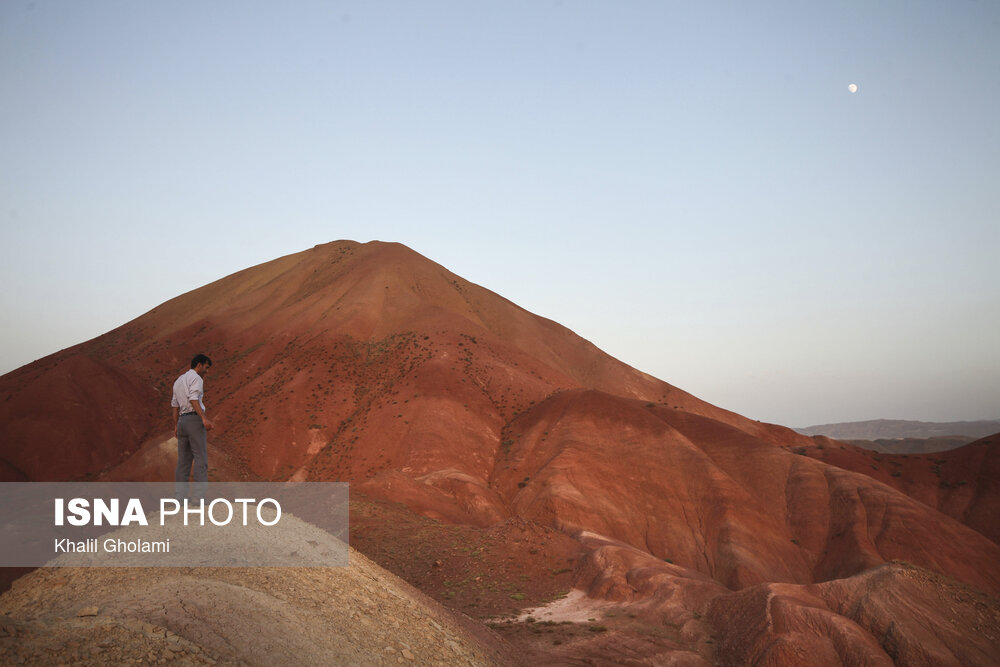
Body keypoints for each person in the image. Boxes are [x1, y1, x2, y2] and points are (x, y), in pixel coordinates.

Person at [171, 354, 214, 500]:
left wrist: (176, 425)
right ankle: (198, 498)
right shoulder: (196, 378)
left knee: (183, 461)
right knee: (200, 459)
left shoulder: (178, 381)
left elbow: (175, 405)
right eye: (206, 367)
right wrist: (203, 418)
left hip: (182, 422)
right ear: (199, 365)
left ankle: (180, 498)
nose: (207, 371)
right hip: (194, 420)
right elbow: (193, 398)